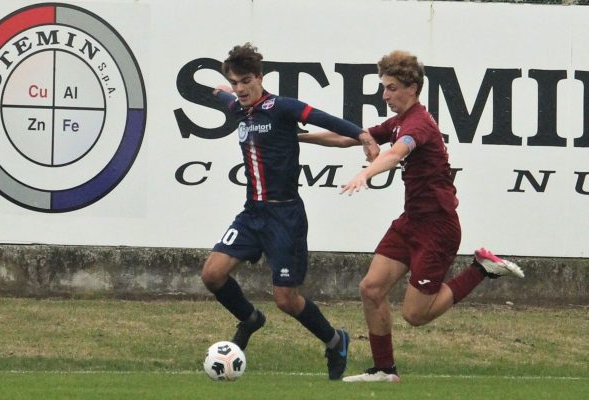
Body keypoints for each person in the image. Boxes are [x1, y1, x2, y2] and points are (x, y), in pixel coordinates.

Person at [298, 50, 524, 382]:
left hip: (437, 229)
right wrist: (297, 137)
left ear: (412, 88)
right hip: (411, 223)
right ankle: (385, 370)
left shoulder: (418, 123)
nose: (385, 95)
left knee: (415, 315)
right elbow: (350, 138)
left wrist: (366, 174)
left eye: (391, 88)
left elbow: (397, 152)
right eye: (384, 87)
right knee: (371, 288)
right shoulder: (400, 120)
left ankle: (481, 269)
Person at [200, 43, 380, 380]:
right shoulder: (239, 107)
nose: (240, 89)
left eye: (246, 81)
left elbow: (323, 118)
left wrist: (362, 135)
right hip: (252, 214)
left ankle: (334, 340)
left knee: (286, 299)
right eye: (235, 82)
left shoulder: (281, 107)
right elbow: (224, 95)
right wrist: (220, 91)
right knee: (212, 274)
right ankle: (250, 319)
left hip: (285, 217)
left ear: (260, 78)